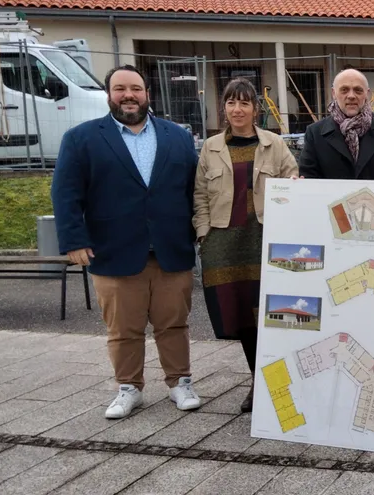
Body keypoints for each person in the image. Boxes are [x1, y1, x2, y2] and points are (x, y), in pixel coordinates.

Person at [51, 64, 202, 419]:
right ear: (109, 95)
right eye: (120, 89)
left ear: (148, 93)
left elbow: (194, 190)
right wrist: (74, 240)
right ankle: (129, 387)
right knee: (123, 329)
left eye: (135, 88)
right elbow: (66, 193)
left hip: (170, 249)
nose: (128, 95)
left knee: (174, 324)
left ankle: (180, 383)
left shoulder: (177, 137)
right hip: (113, 250)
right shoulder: (81, 138)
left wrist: (199, 234)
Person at [192, 77, 299, 413]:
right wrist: (203, 233)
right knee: (241, 316)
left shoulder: (275, 144)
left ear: (256, 108)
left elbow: (293, 183)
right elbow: (199, 196)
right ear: (224, 108)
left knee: (275, 313)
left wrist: (295, 187)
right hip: (225, 243)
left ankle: (280, 379)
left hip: (268, 240)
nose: (237, 109)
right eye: (231, 103)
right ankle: (258, 380)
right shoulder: (209, 148)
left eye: (244, 103)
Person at [299, 68, 374, 180]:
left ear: (367, 94)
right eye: (344, 90)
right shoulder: (315, 133)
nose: (351, 96)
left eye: (358, 90)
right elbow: (308, 178)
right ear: (334, 93)